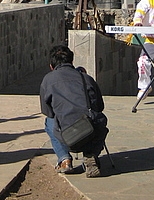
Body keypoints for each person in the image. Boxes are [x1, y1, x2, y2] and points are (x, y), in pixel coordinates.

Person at [39, 45, 108, 178]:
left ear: (51, 66)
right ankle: (90, 154)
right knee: (100, 121)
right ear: (72, 61)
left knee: (50, 122)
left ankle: (65, 159)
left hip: (66, 136)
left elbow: (47, 111)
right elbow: (100, 106)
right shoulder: (86, 78)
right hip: (90, 132)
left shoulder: (48, 80)